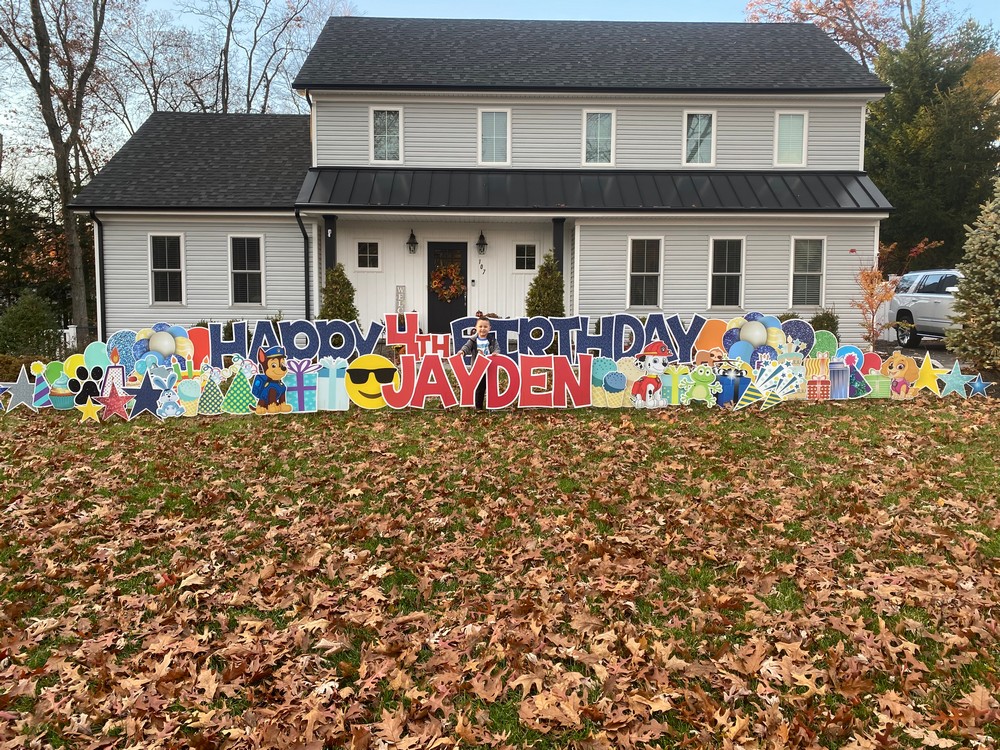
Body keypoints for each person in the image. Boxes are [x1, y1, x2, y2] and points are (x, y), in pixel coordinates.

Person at [460, 316, 499, 410]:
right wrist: (462, 352)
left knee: (491, 386)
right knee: (479, 388)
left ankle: (493, 405)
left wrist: (495, 353)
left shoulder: (492, 339)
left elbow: (497, 348)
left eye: (485, 327)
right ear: (476, 328)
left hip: (490, 367)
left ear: (489, 328)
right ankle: (478, 406)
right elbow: (467, 347)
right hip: (477, 368)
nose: (483, 329)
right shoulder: (473, 340)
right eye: (480, 326)